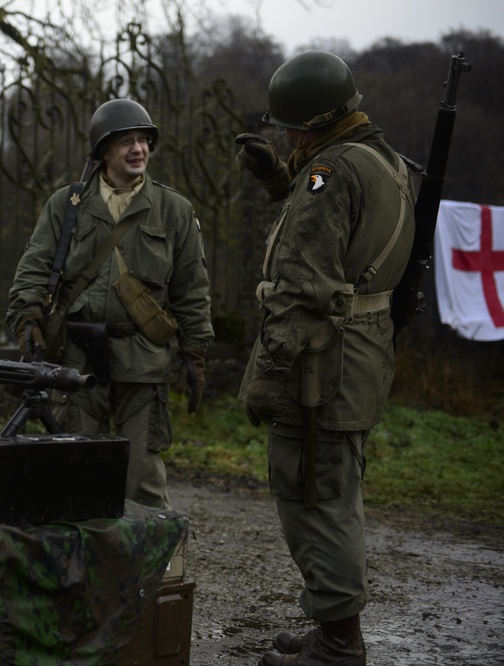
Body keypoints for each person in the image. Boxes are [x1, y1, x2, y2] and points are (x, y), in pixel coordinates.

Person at [236, 51, 416, 666]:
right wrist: (276, 182)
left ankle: (340, 644)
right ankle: (333, 627)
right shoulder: (383, 160)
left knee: (312, 494)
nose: (285, 136)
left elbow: (304, 284)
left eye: (290, 128)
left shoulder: (329, 172)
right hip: (362, 352)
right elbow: (345, 237)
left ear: (311, 124)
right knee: (335, 488)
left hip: (321, 360)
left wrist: (268, 373)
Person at [6, 98, 214, 510]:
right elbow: (34, 267)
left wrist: (195, 350)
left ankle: (153, 570)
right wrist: (27, 319)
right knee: (75, 468)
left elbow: (192, 288)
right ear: (103, 151)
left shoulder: (173, 209)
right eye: (126, 142)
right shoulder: (67, 205)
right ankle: (82, 568)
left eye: (143, 141)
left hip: (144, 360)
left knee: (141, 479)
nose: (138, 150)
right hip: (78, 359)